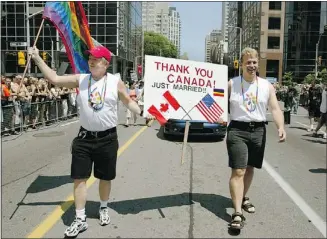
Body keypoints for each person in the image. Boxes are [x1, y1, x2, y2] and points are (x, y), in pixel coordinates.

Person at [28, 45, 144, 237]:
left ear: (105, 63)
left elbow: (127, 102)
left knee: (105, 178)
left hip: (107, 138)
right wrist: (37, 59)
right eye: (90, 58)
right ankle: (80, 218)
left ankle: (103, 207)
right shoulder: (80, 79)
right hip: (84, 138)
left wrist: (144, 112)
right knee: (79, 178)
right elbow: (54, 79)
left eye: (95, 59)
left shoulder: (115, 82)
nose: (90, 61)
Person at [226, 47, 286, 230]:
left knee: (250, 168)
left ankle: (243, 197)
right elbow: (218, 104)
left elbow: (275, 108)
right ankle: (237, 213)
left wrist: (281, 126)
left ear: (257, 64)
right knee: (239, 171)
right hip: (237, 129)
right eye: (247, 62)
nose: (251, 65)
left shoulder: (267, 86)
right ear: (241, 65)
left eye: (254, 62)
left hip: (259, 130)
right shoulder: (232, 84)